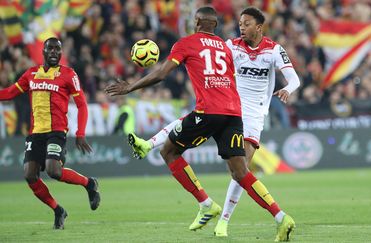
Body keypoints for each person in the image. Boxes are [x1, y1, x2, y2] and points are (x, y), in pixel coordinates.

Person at [106, 6, 295, 241]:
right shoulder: (226, 49)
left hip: (209, 112)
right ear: (215, 25)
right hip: (234, 114)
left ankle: (205, 203)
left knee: (170, 151)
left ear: (197, 22)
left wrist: (130, 87)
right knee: (241, 172)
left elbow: (161, 74)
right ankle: (281, 217)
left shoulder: (188, 43)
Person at [0, 37, 101, 230]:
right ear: (43, 52)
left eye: (58, 49)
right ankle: (57, 210)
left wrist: (80, 132)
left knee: (54, 171)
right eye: (50, 49)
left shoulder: (68, 74)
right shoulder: (31, 74)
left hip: (56, 132)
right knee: (30, 176)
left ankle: (89, 183)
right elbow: (11, 92)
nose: (54, 52)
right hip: (36, 132)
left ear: (61, 53)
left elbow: (82, 105)